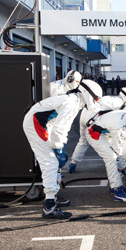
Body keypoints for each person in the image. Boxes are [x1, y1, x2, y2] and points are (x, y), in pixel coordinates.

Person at [23, 80, 103, 219]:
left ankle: (52, 196)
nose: (96, 101)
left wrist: (59, 147)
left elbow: (60, 128)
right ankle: (49, 207)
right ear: (88, 94)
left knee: (54, 162)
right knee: (50, 163)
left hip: (42, 123)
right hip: (36, 123)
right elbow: (60, 130)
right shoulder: (71, 104)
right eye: (96, 98)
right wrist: (59, 150)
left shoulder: (73, 101)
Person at [69, 87, 126, 173]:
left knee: (83, 141)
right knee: (112, 142)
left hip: (84, 116)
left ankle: (73, 163)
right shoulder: (118, 105)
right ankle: (117, 165)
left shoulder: (110, 98)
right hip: (92, 120)